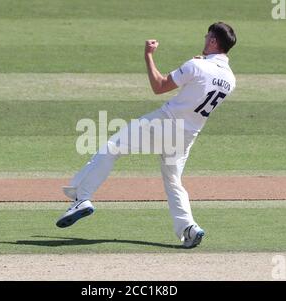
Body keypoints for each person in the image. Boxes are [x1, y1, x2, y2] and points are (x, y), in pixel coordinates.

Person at [56, 22, 237, 248]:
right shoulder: (230, 80)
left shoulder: (195, 66)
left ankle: (81, 197)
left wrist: (148, 56)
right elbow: (199, 90)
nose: (204, 39)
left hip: (164, 123)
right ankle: (189, 228)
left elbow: (159, 86)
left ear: (213, 41)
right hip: (187, 136)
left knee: (113, 147)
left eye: (207, 37)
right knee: (173, 181)